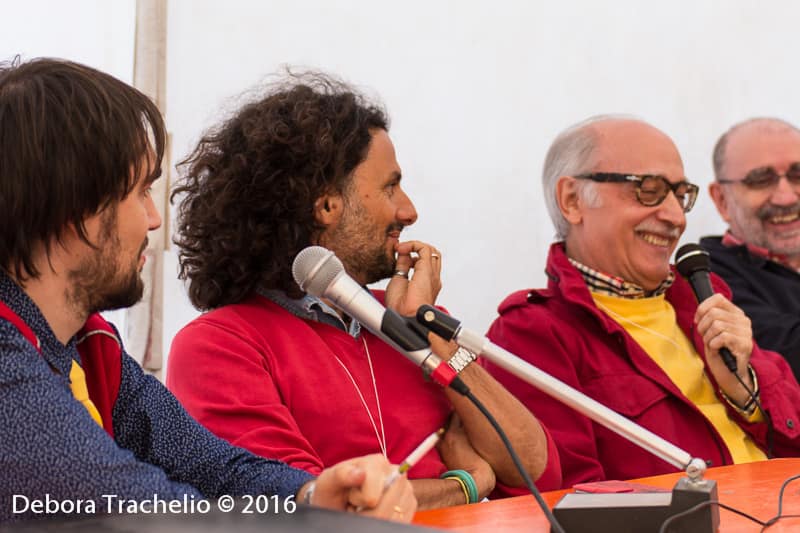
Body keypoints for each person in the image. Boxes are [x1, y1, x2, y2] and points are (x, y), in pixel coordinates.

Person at [0, 57, 416, 524]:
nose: (153, 219)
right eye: (140, 192)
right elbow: (151, 514)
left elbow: (212, 466)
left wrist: (309, 495)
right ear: (72, 208)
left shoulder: (92, 346)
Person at [167, 72, 560, 509]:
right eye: (390, 187)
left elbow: (536, 473)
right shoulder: (219, 345)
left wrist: (433, 338)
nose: (409, 211)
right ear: (326, 205)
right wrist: (466, 485)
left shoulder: (415, 321)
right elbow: (312, 506)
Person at [482, 115, 800, 488]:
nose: (675, 217)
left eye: (680, 194)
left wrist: (745, 391)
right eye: (648, 190)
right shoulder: (533, 333)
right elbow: (569, 502)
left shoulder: (701, 297)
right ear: (572, 200)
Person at [701, 118, 800, 379]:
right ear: (722, 199)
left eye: (798, 174)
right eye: (761, 180)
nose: (786, 197)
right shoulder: (708, 279)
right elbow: (786, 354)